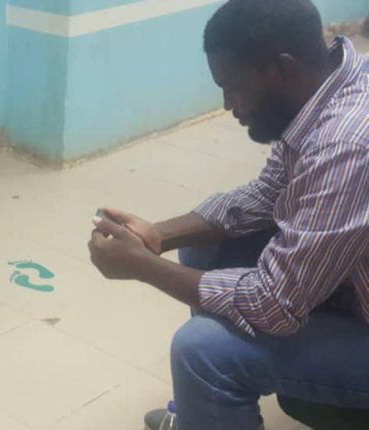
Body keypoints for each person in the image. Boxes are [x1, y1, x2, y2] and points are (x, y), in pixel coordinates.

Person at [87, 0, 369, 429]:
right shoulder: (332, 85)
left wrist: (143, 267)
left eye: (233, 87)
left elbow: (274, 304)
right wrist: (157, 235)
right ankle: (203, 417)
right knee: (206, 249)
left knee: (203, 351)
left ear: (282, 69)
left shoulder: (346, 144)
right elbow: (268, 192)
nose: (226, 104)